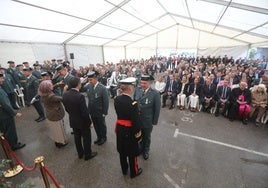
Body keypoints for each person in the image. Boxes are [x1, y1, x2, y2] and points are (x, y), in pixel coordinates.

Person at [62, 77, 97, 160]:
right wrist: (90, 122)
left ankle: (80, 153)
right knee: (86, 138)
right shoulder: (80, 96)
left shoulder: (65, 94)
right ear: (78, 85)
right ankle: (88, 154)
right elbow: (84, 112)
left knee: (77, 138)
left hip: (73, 119)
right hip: (82, 121)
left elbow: (66, 108)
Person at [114, 77, 142, 178]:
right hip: (130, 130)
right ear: (130, 88)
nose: (134, 89)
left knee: (122, 151)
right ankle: (134, 172)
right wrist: (138, 135)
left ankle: (124, 170)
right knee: (132, 153)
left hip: (120, 129)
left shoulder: (117, 99)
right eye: (133, 87)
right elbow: (136, 122)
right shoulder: (133, 103)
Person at [134, 74, 161, 160]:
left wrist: (154, 121)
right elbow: (134, 102)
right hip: (138, 119)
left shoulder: (155, 93)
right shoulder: (137, 90)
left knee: (146, 137)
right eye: (141, 83)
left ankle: (146, 150)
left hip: (147, 120)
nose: (142, 85)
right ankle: (140, 148)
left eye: (144, 83)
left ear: (149, 83)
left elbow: (157, 109)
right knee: (139, 135)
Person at [38, 80, 68, 148]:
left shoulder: (43, 93)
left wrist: (57, 84)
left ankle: (57, 141)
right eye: (50, 85)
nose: (52, 86)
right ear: (48, 88)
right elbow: (63, 98)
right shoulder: (51, 96)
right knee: (59, 129)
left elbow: (51, 88)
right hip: (55, 114)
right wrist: (64, 89)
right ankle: (61, 142)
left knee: (54, 129)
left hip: (50, 114)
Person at [0, 73, 25, 151]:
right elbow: (5, 104)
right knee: (10, 131)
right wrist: (14, 113)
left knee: (5, 131)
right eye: (1, 78)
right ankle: (13, 145)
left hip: (1, 115)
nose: (3, 79)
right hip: (5, 115)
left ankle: (8, 145)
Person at [83, 71, 109, 145]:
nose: (89, 81)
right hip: (92, 110)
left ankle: (103, 137)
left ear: (96, 79)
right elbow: (81, 88)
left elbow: (106, 102)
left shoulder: (102, 88)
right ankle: (99, 137)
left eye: (91, 80)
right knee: (96, 125)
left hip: (100, 111)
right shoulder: (88, 86)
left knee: (101, 125)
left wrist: (105, 112)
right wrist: (83, 81)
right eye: (88, 80)